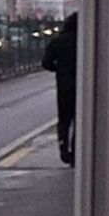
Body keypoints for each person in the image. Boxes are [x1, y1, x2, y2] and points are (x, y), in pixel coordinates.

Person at [41, 12, 78, 165]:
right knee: (80, 119)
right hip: (84, 84)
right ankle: (76, 152)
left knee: (64, 119)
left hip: (64, 84)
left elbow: (46, 63)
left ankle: (63, 149)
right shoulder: (87, 39)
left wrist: (60, 69)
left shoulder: (58, 41)